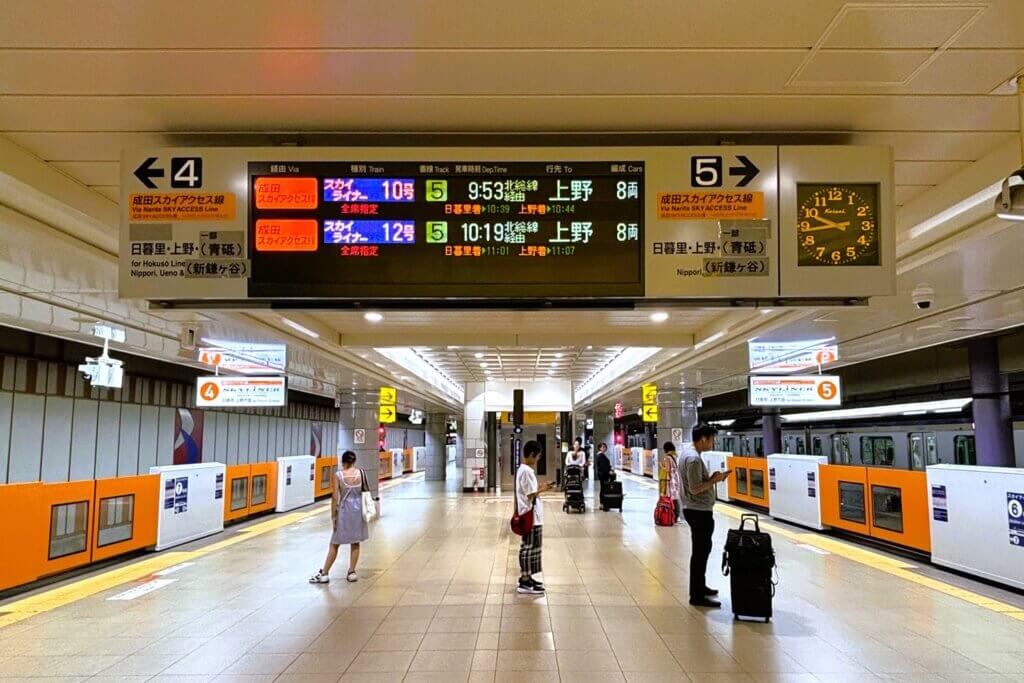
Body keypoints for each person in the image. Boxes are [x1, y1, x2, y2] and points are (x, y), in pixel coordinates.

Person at [676, 424, 732, 607]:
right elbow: (694, 488)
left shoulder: (688, 454)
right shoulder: (693, 458)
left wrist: (711, 478)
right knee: (700, 553)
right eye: (712, 439)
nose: (713, 443)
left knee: (702, 551)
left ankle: (700, 586)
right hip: (698, 511)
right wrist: (714, 480)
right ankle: (697, 595)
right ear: (703, 439)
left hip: (695, 509)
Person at [310, 450, 369, 584]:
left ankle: (324, 573)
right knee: (355, 542)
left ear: (343, 462)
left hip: (344, 510)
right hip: (358, 510)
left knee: (335, 543)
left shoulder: (339, 475)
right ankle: (352, 572)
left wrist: (333, 515)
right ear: (354, 461)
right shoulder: (361, 473)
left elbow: (335, 496)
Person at [516, 440, 555, 595]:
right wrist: (543, 488)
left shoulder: (524, 470)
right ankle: (525, 581)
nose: (538, 459)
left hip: (532, 514)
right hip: (529, 515)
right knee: (528, 547)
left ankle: (528, 577)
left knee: (533, 547)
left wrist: (541, 487)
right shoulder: (526, 471)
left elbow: (530, 491)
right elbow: (530, 494)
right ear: (532, 455)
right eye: (538, 456)